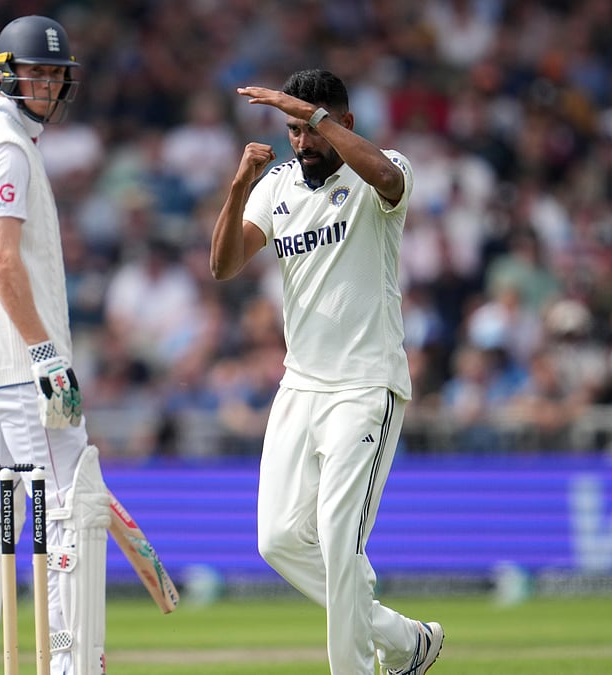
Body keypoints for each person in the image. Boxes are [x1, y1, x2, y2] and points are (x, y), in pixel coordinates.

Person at [209, 68, 443, 674]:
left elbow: (387, 178)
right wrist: (238, 187)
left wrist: (312, 116)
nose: (302, 142)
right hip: (300, 385)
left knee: (341, 540)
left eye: (311, 127)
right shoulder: (278, 185)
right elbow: (224, 266)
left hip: (365, 385)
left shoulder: (381, 170)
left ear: (345, 122)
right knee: (277, 541)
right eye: (292, 130)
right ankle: (405, 640)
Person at [0, 15, 110, 675]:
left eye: (53, 74)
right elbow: (0, 258)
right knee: (71, 513)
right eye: (33, 73)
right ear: (4, 75)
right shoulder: (5, 148)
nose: (44, 85)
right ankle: (72, 663)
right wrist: (45, 354)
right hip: (23, 373)